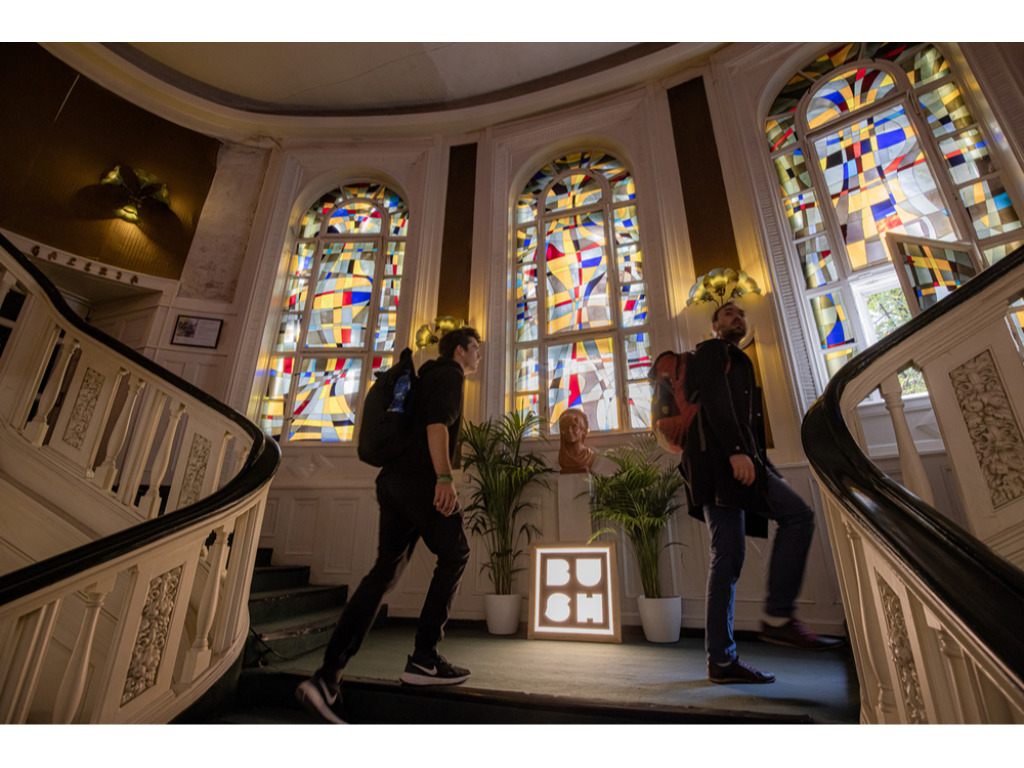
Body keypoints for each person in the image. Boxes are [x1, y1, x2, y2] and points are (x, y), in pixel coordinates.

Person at [295, 327, 483, 723]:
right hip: (420, 482)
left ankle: (327, 677)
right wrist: (444, 478)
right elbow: (437, 426)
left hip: (393, 483)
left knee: (384, 573)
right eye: (475, 349)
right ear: (460, 350)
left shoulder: (424, 376)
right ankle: (424, 659)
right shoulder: (450, 375)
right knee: (456, 553)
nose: (478, 356)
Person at [681, 302, 842, 685]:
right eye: (728, 314)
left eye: (740, 314)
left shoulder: (739, 360)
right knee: (796, 516)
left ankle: (722, 661)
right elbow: (716, 400)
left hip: (732, 465)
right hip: (721, 466)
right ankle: (778, 617)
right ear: (715, 325)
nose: (737, 317)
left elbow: (746, 423)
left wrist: (764, 466)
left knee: (728, 557)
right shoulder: (712, 350)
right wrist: (737, 450)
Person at [557, 408, 595, 474]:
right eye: (566, 427)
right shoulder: (563, 458)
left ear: (584, 431)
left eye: (574, 427)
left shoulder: (588, 456)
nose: (569, 431)